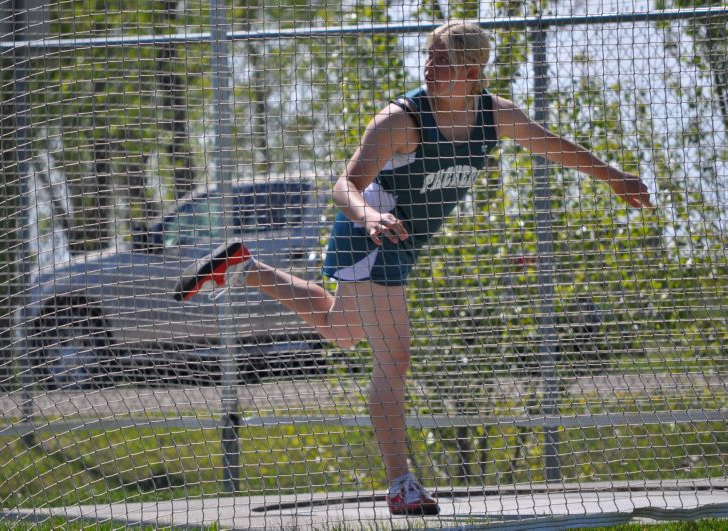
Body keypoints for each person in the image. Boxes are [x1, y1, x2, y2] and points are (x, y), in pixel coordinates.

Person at [174, 20, 653, 516]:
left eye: (442, 60)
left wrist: (613, 176)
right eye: (428, 56)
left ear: (472, 72)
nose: (429, 66)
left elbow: (551, 144)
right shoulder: (399, 121)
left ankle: (245, 268)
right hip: (373, 234)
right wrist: (369, 217)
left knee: (341, 330)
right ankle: (401, 484)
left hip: (399, 242)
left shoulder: (495, 116)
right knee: (394, 359)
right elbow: (345, 186)